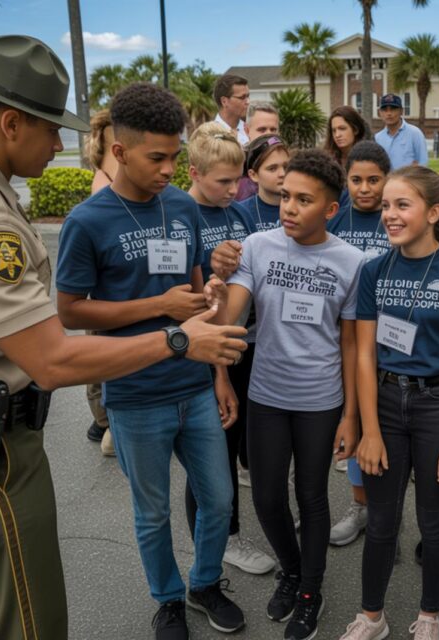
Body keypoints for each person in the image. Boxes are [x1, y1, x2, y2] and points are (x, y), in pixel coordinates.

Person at [0, 35, 244, 640]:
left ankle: (202, 584)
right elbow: (52, 353)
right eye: (52, 130)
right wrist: (178, 339)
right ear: (12, 122)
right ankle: (171, 598)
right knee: (29, 620)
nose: (60, 145)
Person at [55, 82, 248, 639]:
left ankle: (205, 583)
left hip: (194, 384)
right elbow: (69, 311)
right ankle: (167, 599)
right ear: (119, 151)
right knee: (153, 512)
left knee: (218, 497)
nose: (169, 169)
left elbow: (194, 294)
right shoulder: (88, 221)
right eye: (156, 158)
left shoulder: (183, 205)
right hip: (135, 393)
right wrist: (158, 305)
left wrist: (218, 374)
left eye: (175, 156)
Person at [222, 149, 365, 640]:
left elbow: (350, 345)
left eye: (304, 200)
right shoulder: (257, 247)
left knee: (312, 496)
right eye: (285, 196)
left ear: (330, 209)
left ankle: (310, 590)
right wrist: (218, 298)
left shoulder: (351, 261)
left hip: (320, 400)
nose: (289, 207)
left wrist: (350, 416)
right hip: (266, 393)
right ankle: (291, 567)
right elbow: (233, 315)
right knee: (265, 496)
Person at [339, 166, 439, 640]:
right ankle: (372, 617)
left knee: (435, 522)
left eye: (402, 205)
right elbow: (363, 353)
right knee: (381, 522)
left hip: (438, 404)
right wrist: (369, 431)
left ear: (434, 212)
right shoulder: (373, 270)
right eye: (386, 205)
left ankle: (429, 616)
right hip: (384, 401)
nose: (389, 215)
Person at [183, 122, 276, 578]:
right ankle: (223, 538)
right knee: (210, 450)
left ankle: (224, 529)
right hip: (202, 348)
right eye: (222, 181)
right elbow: (178, 285)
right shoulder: (180, 214)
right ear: (195, 172)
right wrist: (208, 269)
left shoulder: (237, 214)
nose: (232, 189)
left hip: (240, 345)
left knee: (232, 441)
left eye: (237, 180)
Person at [326, 141, 393, 548]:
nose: (365, 188)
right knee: (354, 423)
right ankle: (360, 505)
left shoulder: (399, 216)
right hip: (348, 340)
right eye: (356, 180)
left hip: (396, 342)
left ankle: (388, 513)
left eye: (374, 180)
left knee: (389, 429)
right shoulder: (335, 221)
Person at [83, 107, 119, 456]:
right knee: (100, 356)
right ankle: (105, 423)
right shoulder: (101, 190)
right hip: (103, 296)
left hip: (109, 297)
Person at [238, 134, 289, 233]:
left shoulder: (303, 208)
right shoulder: (240, 213)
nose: (282, 174)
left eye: (286, 167)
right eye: (272, 169)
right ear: (253, 175)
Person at [235, 102, 281, 201]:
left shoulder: (289, 164)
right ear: (247, 130)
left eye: (273, 130)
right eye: (262, 130)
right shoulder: (235, 164)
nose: (269, 135)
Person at [374, 94, 428, 169]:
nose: (389, 113)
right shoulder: (377, 138)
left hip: (409, 180)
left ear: (401, 111)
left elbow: (423, 163)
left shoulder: (415, 133)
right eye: (385, 110)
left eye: (393, 109)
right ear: (380, 113)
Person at [213, 73, 251, 146]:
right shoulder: (209, 134)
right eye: (242, 98)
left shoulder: (252, 130)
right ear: (224, 101)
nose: (248, 102)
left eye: (248, 96)